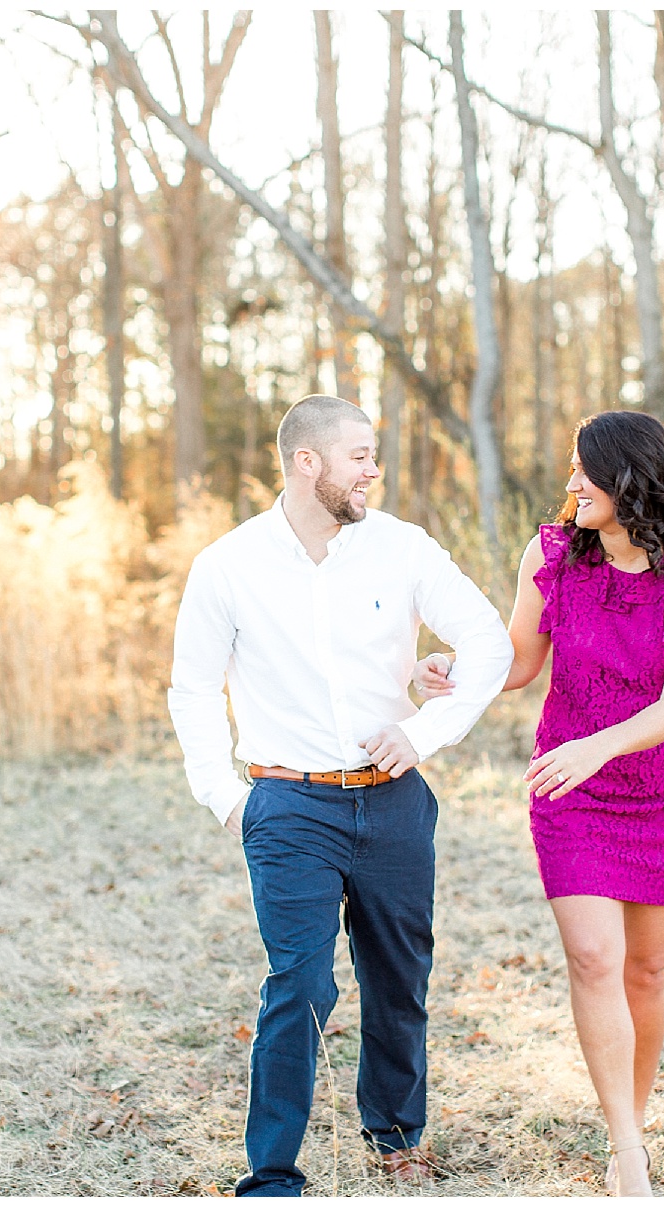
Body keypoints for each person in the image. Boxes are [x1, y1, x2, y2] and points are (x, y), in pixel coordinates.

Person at [168, 394, 513, 1197]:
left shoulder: (402, 548)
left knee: (398, 972)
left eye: (373, 454)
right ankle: (273, 1172)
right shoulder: (228, 564)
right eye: (359, 454)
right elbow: (192, 688)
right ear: (306, 463)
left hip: (393, 799)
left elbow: (488, 640)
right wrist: (225, 796)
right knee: (300, 981)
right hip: (288, 805)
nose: (374, 469)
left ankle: (396, 1132)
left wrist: (425, 732)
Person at [416, 410, 664, 1196]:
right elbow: (522, 661)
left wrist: (600, 743)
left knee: (650, 969)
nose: (570, 486)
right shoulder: (552, 554)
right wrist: (452, 669)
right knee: (595, 958)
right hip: (573, 791)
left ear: (630, 479)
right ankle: (627, 1149)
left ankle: (635, 1111)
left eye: (585, 472)